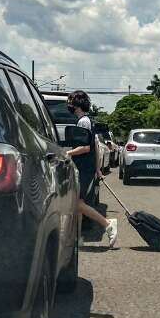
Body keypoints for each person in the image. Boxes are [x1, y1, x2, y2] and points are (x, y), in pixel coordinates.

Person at [65, 90, 117, 248]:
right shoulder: (87, 121)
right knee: (79, 204)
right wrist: (98, 169)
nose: (69, 105)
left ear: (77, 104)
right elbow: (94, 146)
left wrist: (67, 152)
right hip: (87, 168)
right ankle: (77, 239)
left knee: (76, 203)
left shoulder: (83, 122)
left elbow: (86, 147)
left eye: (70, 102)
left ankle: (107, 224)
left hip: (83, 168)